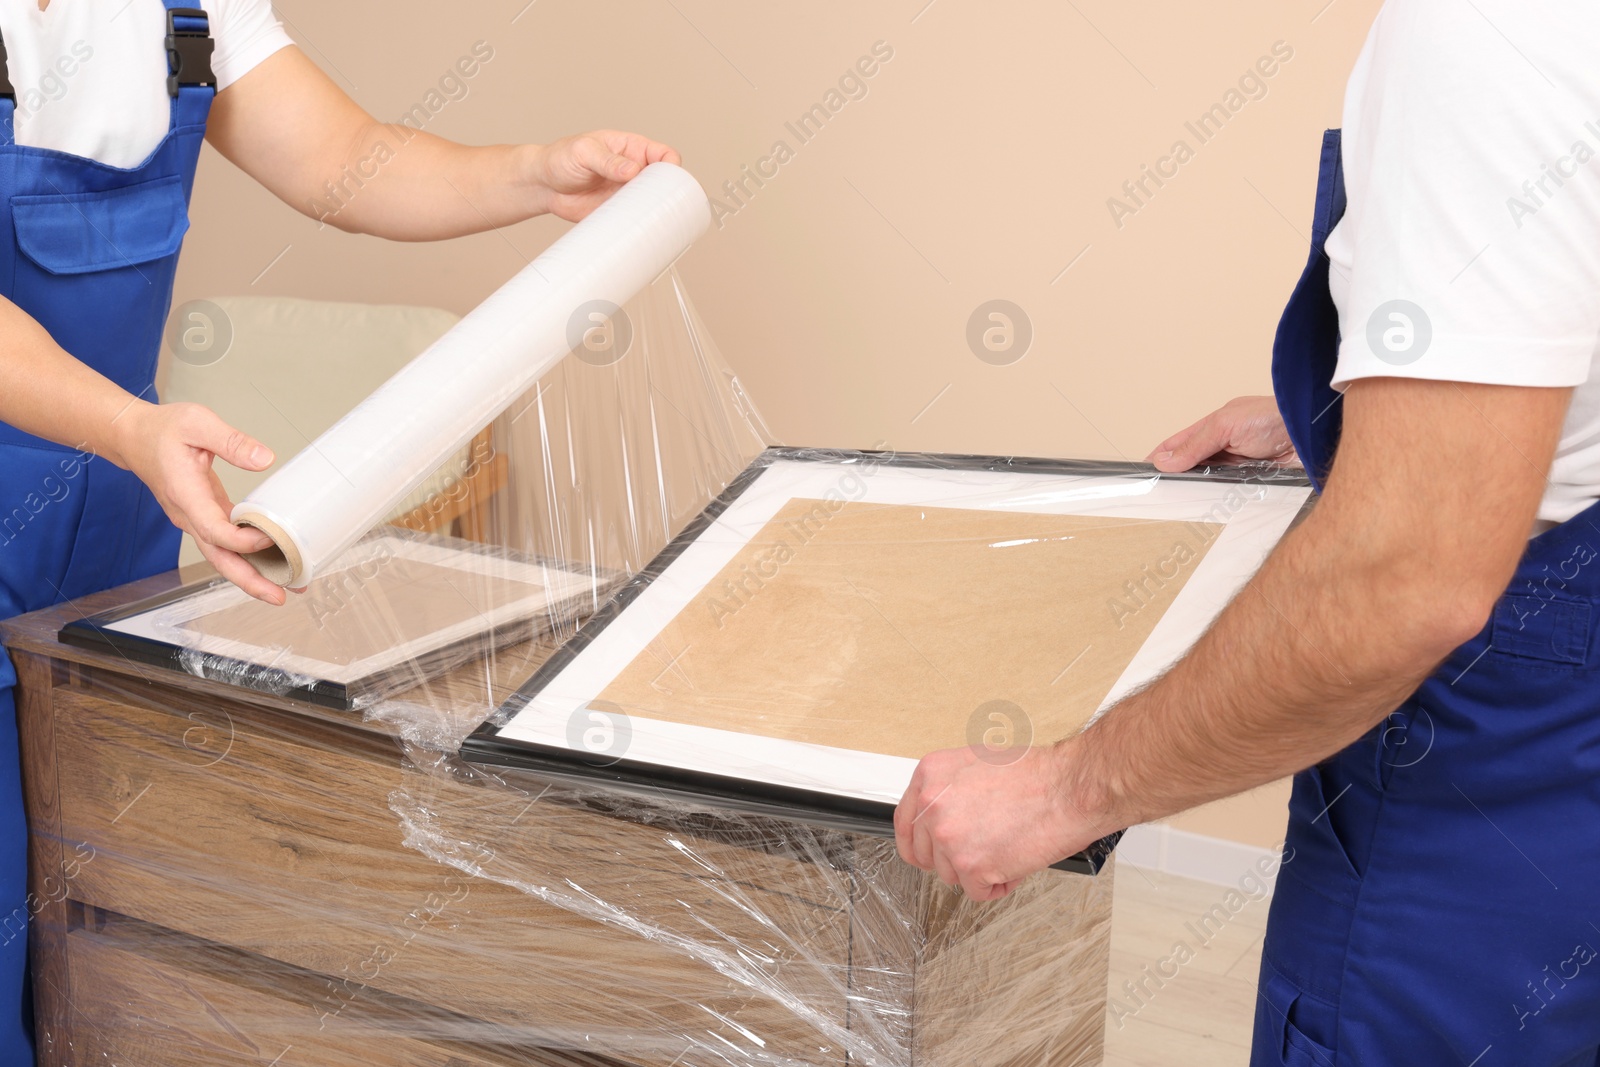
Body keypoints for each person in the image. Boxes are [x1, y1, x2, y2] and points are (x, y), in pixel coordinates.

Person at [895, 2, 1600, 1063]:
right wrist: (1410, 407)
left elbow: (1403, 578)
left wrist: (1061, 789)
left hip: (1508, 760)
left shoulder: (1484, 30)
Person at [0, 2, 678, 1059]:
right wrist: (132, 425)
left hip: (113, 531)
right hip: (115, 453)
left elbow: (344, 158)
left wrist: (537, 174)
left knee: (105, 917)